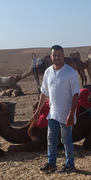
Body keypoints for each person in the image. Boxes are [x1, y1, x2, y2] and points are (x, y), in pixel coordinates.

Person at [33, 45, 80, 173]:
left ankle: (70, 165)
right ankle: (51, 163)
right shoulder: (48, 72)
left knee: (66, 139)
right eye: (54, 55)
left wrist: (71, 113)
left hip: (66, 113)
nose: (57, 57)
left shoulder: (71, 73)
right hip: (52, 113)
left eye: (59, 55)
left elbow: (76, 94)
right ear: (50, 56)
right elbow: (44, 93)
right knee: (51, 138)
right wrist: (38, 111)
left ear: (63, 56)